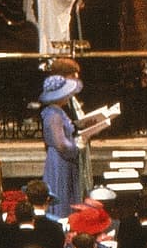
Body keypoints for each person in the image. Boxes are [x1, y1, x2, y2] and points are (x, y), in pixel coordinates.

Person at [40, 74, 111, 222]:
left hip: (63, 158)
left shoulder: (58, 111)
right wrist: (77, 145)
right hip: (60, 160)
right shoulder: (53, 115)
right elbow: (61, 144)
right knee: (62, 191)